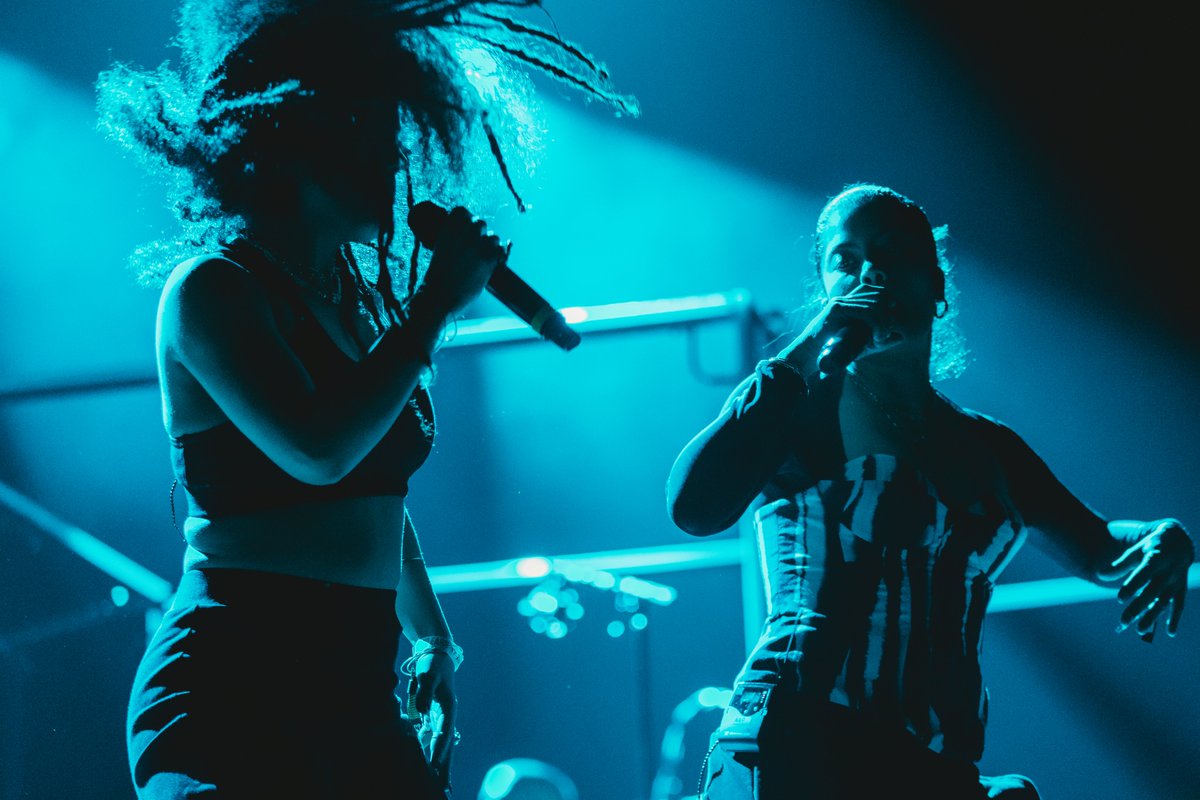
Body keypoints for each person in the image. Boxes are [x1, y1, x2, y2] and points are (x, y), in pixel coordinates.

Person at [95, 1, 636, 797]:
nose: (396, 163)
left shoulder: (350, 298)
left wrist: (431, 638)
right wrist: (430, 311)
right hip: (237, 677)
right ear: (301, 141)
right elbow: (318, 451)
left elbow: (373, 488)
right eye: (375, 138)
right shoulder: (213, 290)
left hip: (351, 684)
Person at [665, 183, 1194, 799]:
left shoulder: (989, 448)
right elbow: (693, 507)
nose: (871, 272)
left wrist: (1167, 537)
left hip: (931, 761)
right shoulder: (799, 410)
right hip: (800, 740)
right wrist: (815, 344)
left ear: (936, 283)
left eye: (892, 253)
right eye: (847, 258)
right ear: (827, 286)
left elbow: (1101, 547)